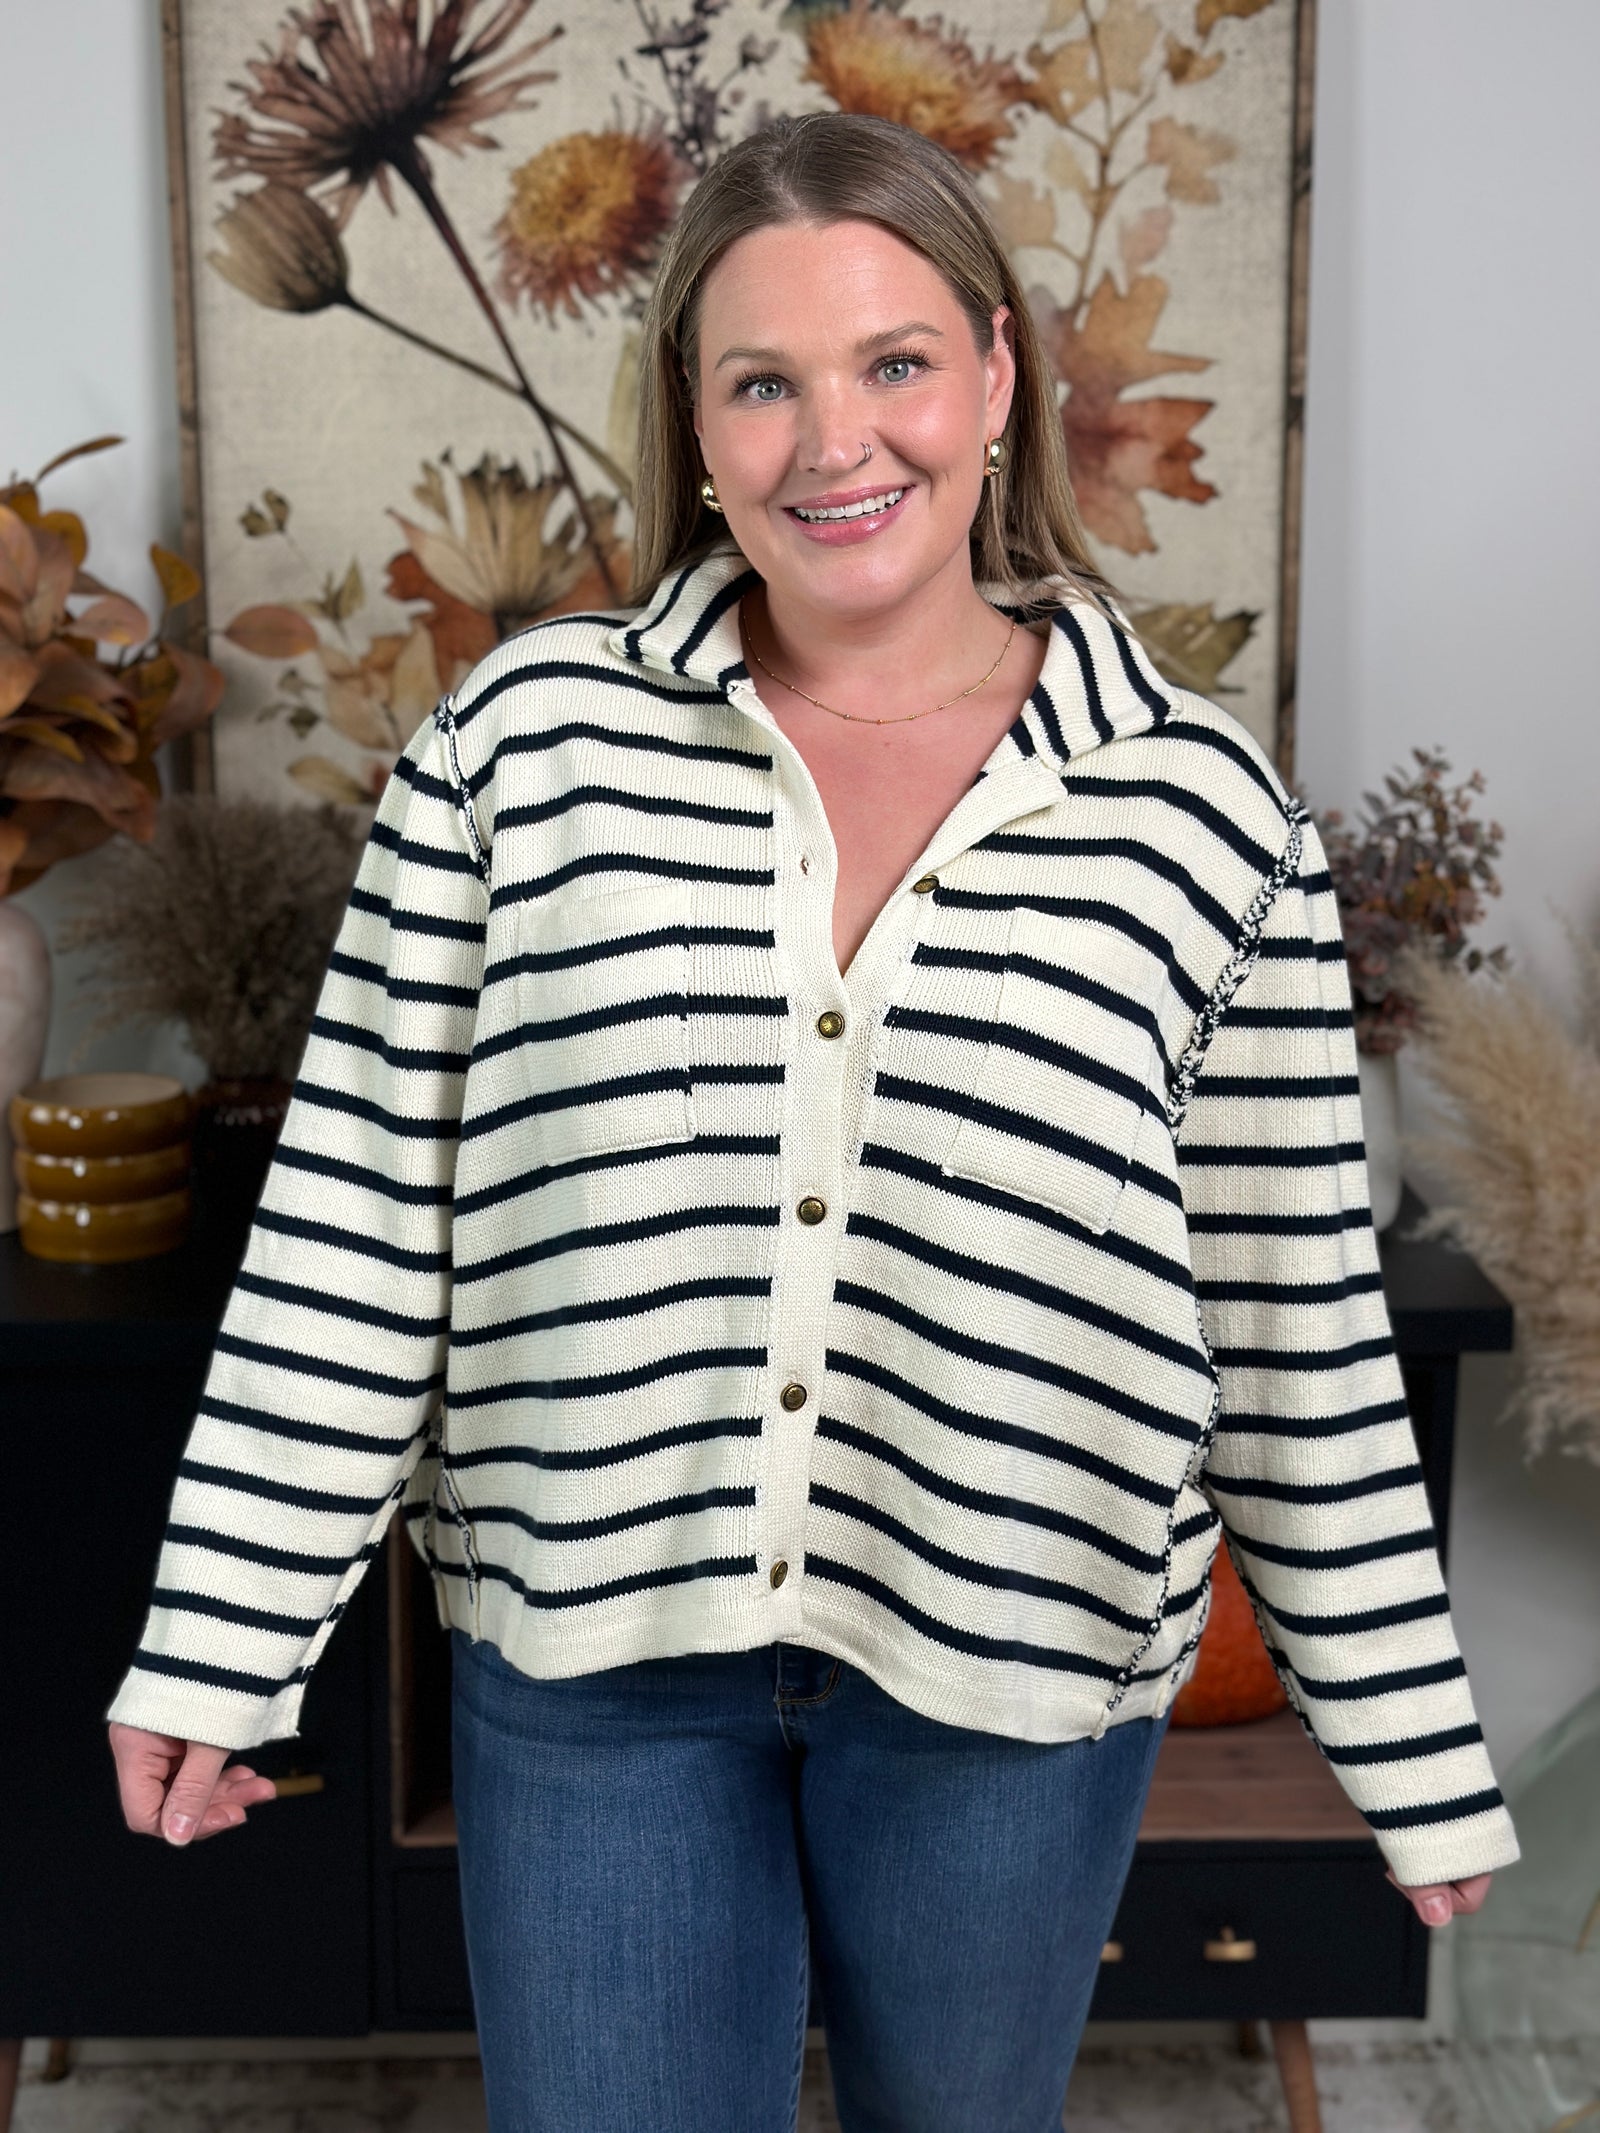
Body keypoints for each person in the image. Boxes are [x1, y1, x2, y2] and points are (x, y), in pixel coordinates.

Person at [108, 112, 1519, 2132]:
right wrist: (218, 1643)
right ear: (692, 422)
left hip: (1015, 1670)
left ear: (997, 376)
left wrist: (1402, 1736)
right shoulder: (519, 755)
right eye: (761, 381)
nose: (833, 442)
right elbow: (355, 1226)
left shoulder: (1203, 818)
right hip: (592, 1656)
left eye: (894, 363)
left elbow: (1288, 1313)